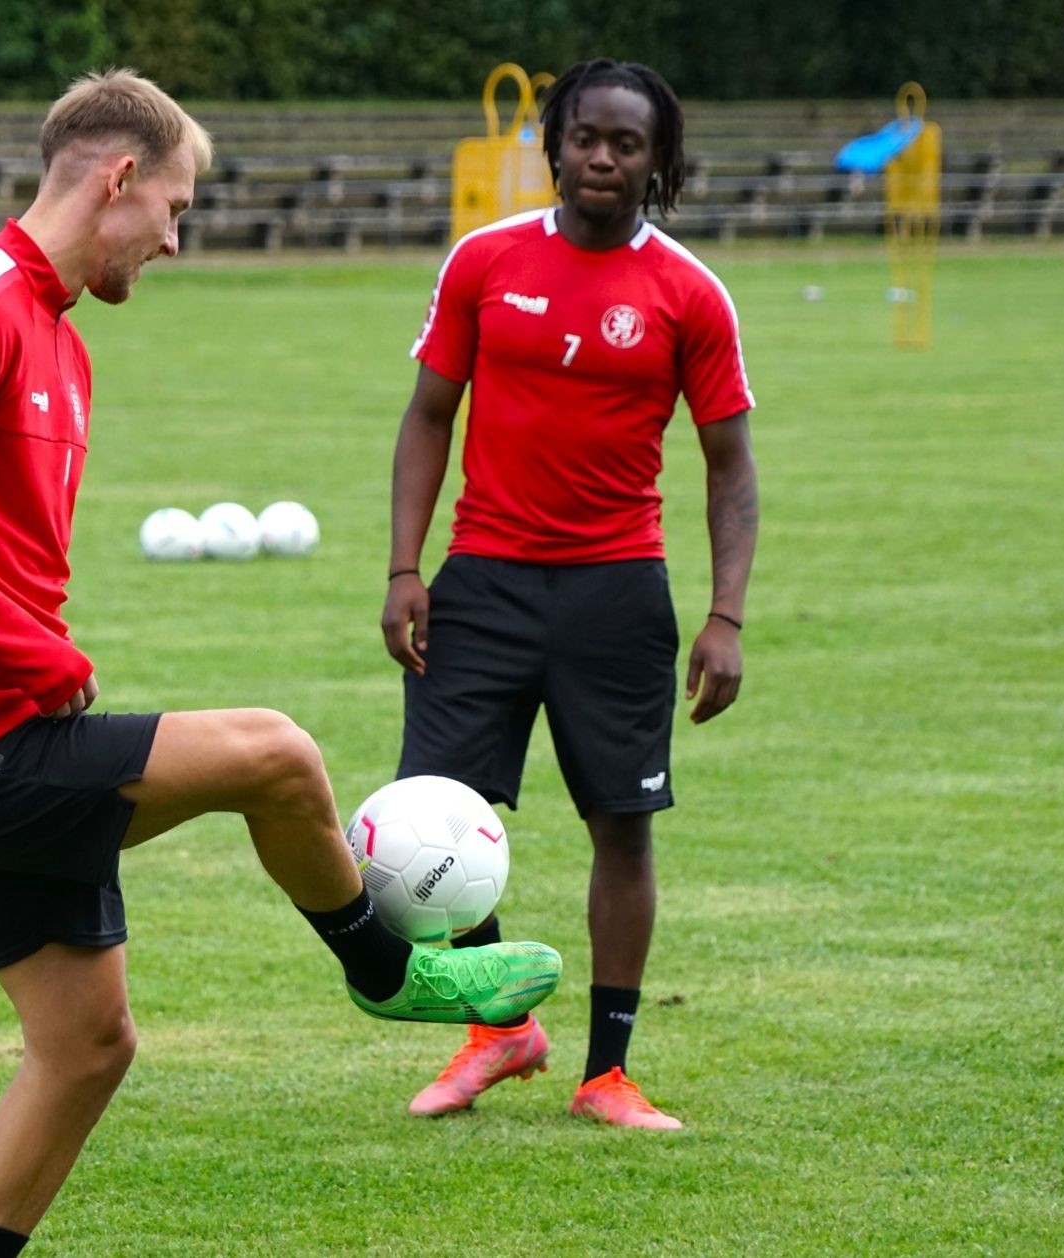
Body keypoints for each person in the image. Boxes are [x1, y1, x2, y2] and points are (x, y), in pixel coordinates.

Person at [0, 69, 561, 1258]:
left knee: (85, 1048)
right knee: (276, 754)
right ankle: (386, 972)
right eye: (174, 208)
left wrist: (30, 652)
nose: (174, 239)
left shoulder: (63, 343)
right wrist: (27, 651)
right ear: (118, 178)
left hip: (11, 736)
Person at [379, 58, 759, 1130]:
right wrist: (405, 568)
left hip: (618, 593)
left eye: (626, 143)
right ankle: (498, 1030)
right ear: (555, 146)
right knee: (433, 821)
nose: (601, 157)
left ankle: (608, 1073)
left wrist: (725, 617)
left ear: (657, 160)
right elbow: (428, 416)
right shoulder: (485, 261)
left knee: (622, 827)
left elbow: (730, 467)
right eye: (585, 136)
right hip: (482, 584)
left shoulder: (689, 292)